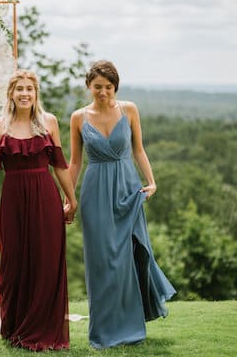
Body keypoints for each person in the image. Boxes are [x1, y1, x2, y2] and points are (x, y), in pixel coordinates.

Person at [68, 60, 176, 349]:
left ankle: (130, 327)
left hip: (127, 189)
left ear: (116, 86)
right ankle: (103, 331)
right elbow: (75, 161)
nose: (103, 92)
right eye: (97, 87)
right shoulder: (78, 117)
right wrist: (69, 197)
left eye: (108, 87)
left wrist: (151, 181)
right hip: (95, 193)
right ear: (89, 87)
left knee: (128, 257)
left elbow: (138, 150)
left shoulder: (129, 110)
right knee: (101, 262)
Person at [0, 69, 78, 351]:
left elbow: (60, 165)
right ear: (11, 93)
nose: (25, 93)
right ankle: (16, 327)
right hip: (13, 199)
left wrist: (71, 198)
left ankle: (43, 329)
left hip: (45, 196)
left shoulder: (49, 122)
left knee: (45, 260)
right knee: (14, 261)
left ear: (36, 93)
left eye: (30, 89)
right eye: (20, 89)